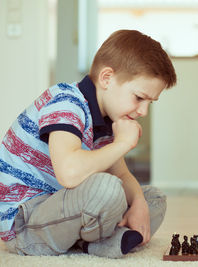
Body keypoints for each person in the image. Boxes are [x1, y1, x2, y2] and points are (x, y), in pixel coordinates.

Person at [0, 29, 176, 258]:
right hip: (26, 222)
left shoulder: (106, 120)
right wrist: (122, 144)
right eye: (139, 98)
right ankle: (97, 243)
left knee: (152, 198)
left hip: (64, 209)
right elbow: (69, 173)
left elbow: (122, 174)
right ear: (107, 78)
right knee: (106, 189)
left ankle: (89, 239)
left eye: (150, 102)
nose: (143, 111)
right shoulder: (66, 101)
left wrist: (139, 203)